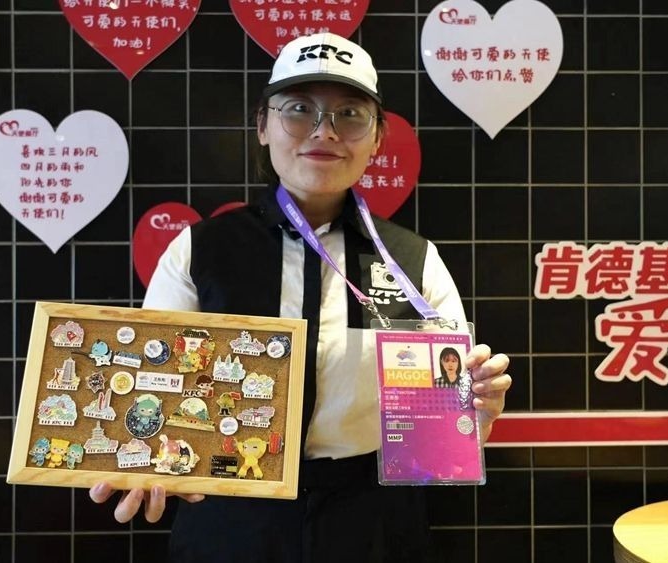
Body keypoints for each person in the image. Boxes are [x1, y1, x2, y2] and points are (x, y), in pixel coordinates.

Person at [89, 32, 512, 562]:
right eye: (298, 110)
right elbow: (153, 382)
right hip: (230, 511)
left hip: (373, 518)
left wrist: (475, 418)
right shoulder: (201, 250)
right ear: (263, 126)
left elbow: (444, 428)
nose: (323, 131)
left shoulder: (413, 259)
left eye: (349, 114)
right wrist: (143, 457)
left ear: (377, 138)